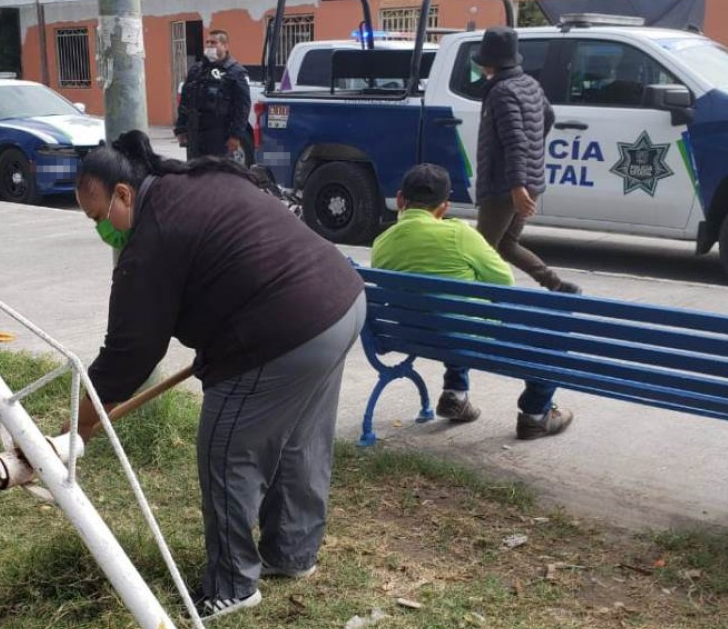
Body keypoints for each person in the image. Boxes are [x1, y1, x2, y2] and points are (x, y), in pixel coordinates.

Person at [68, 130, 365, 619]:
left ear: (123, 194)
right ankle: (292, 553)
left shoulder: (152, 236)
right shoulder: (195, 181)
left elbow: (130, 353)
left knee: (226, 449)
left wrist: (80, 422)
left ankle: (232, 584)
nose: (101, 229)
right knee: (298, 438)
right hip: (341, 304)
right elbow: (229, 268)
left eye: (99, 217)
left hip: (287, 329)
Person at [372, 164, 575, 440]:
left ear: (399, 199)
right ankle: (536, 414)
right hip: (468, 338)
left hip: (413, 336)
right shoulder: (459, 234)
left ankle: (455, 393)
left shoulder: (381, 243)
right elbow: (504, 284)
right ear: (444, 207)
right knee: (554, 327)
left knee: (448, 312)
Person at [471, 26, 580, 295]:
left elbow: (514, 142)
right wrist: (532, 152)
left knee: (480, 250)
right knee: (507, 245)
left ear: (490, 62)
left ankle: (486, 299)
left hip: (505, 185)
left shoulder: (501, 92)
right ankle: (557, 285)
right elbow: (548, 116)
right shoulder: (530, 84)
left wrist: (516, 186)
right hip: (529, 180)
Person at [173, 30, 252, 160]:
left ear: (225, 46)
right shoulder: (196, 70)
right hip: (196, 134)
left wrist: (236, 135)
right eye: (207, 42)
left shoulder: (236, 72)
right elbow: (185, 101)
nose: (209, 45)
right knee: (194, 170)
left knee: (216, 171)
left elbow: (243, 107)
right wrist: (181, 128)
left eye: (214, 43)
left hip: (220, 136)